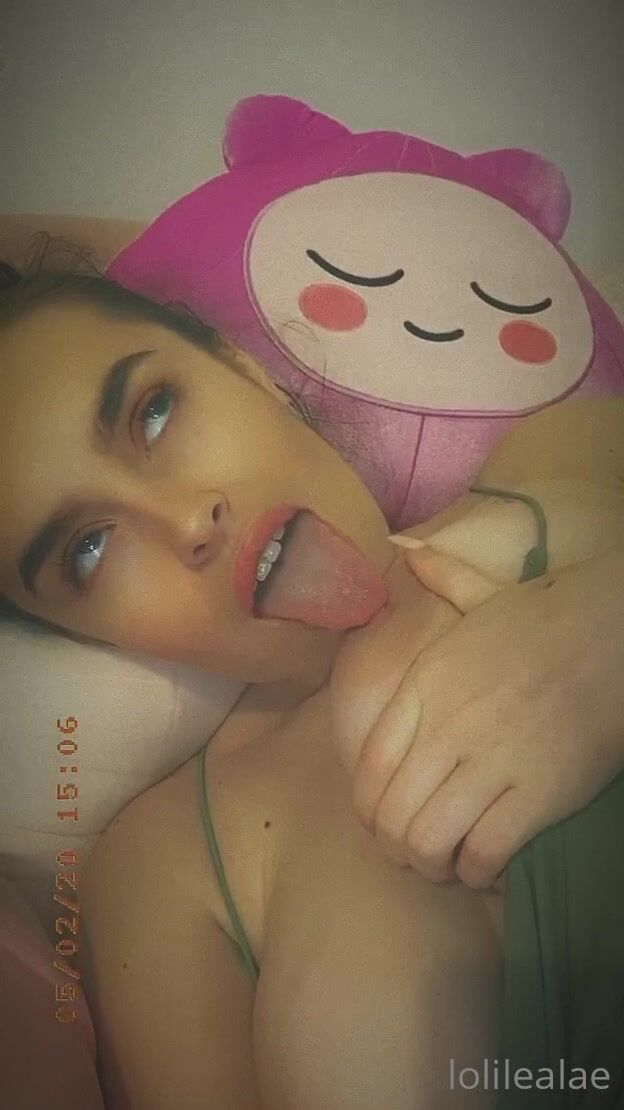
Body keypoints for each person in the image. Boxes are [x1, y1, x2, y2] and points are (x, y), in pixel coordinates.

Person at [0, 254, 623, 1107]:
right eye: (88, 550)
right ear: (85, 636)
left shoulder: (561, 455)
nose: (186, 521)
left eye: (154, 412)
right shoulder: (158, 878)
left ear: (243, 367)